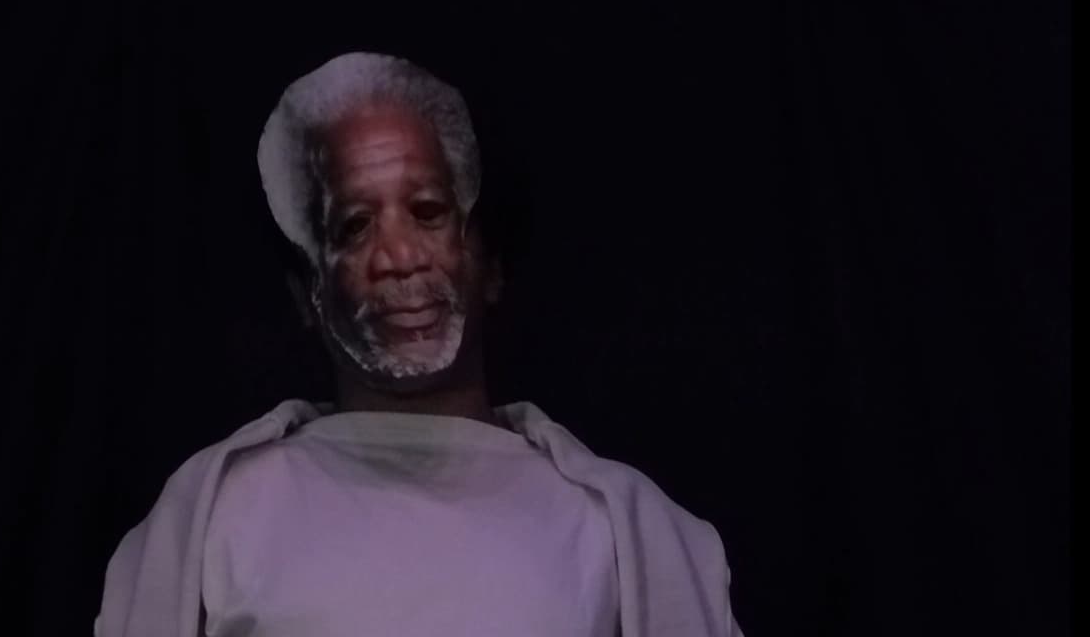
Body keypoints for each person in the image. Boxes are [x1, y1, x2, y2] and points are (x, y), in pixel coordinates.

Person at [95, 52, 745, 636]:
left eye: (429, 212)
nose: (400, 257)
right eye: (355, 226)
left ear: (490, 265)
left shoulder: (626, 531)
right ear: (308, 296)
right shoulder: (209, 517)